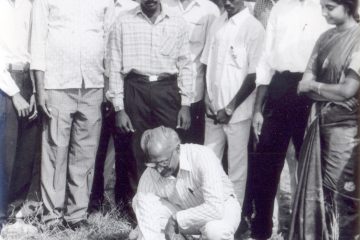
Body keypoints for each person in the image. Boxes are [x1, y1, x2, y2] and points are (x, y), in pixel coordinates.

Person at [30, 0, 114, 229]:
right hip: (57, 83)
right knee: (55, 151)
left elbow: (108, 42)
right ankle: (52, 217)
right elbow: (37, 41)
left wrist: (108, 85)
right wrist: (40, 88)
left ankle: (77, 215)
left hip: (93, 83)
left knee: (85, 153)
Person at [249, 0, 330, 238]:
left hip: (313, 90)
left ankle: (307, 231)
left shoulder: (325, 7)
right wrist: (257, 109)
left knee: (312, 164)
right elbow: (266, 59)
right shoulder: (280, 7)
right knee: (267, 162)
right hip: (280, 87)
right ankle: (262, 230)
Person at [108, 0, 193, 202]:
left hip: (167, 90)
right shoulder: (123, 21)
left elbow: (186, 65)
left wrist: (186, 104)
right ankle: (139, 207)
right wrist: (119, 108)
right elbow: (114, 66)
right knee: (136, 149)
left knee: (169, 149)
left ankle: (171, 204)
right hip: (135, 88)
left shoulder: (177, 21)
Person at [290, 0, 360, 238]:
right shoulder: (324, 38)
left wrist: (316, 87)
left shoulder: (359, 37)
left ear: (348, 5)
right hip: (319, 126)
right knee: (318, 195)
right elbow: (302, 85)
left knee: (343, 195)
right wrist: (328, 90)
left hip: (347, 132)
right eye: (322, 6)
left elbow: (348, 90)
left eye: (329, 7)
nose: (323, 13)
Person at [200, 0, 265, 206]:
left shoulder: (254, 28)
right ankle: (209, 215)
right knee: (208, 165)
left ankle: (233, 220)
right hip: (213, 111)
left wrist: (230, 108)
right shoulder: (217, 23)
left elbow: (255, 75)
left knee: (236, 169)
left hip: (237, 113)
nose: (227, 2)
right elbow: (206, 65)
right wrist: (207, 99)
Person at [129, 126, 240, 240]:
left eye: (163, 163)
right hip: (184, 215)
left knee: (216, 231)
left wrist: (177, 219)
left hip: (221, 209)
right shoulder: (149, 175)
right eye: (153, 164)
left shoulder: (202, 155)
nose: (159, 170)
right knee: (139, 199)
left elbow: (215, 208)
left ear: (177, 149)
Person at [89, 0, 139, 216]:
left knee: (124, 149)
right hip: (98, 84)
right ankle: (95, 203)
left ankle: (122, 203)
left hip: (124, 87)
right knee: (98, 150)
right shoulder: (99, 6)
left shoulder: (132, 10)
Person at [0, 0, 41, 225]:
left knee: (25, 152)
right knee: (4, 152)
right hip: (5, 83)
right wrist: (14, 94)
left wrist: (34, 90)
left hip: (27, 79)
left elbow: (34, 48)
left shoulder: (29, 4)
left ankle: (14, 211)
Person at [162, 0, 219, 145]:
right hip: (163, 91)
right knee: (165, 146)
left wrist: (207, 94)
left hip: (194, 93)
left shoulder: (209, 10)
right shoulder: (163, 4)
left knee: (190, 146)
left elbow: (210, 58)